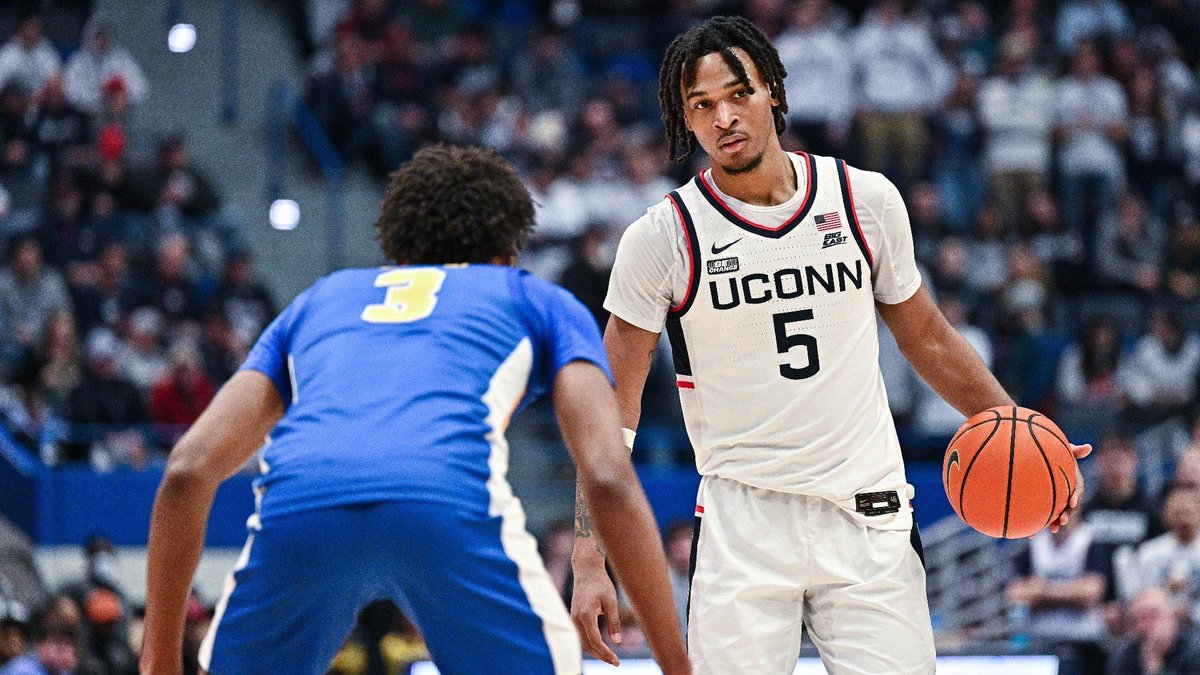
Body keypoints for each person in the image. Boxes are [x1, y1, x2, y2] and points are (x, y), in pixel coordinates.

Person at [570, 16, 1091, 675]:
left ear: (775, 94)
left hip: (867, 515)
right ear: (686, 122)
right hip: (743, 521)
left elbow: (927, 337)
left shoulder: (865, 199)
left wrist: (1022, 427)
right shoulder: (662, 237)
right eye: (701, 106)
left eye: (739, 94)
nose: (724, 117)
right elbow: (610, 405)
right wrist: (590, 559)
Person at [140, 145, 689, 675]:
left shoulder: (320, 299)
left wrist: (158, 664)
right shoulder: (532, 296)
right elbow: (607, 474)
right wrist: (677, 665)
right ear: (508, 251)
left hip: (301, 506)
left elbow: (189, 469)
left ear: (399, 250)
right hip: (445, 500)